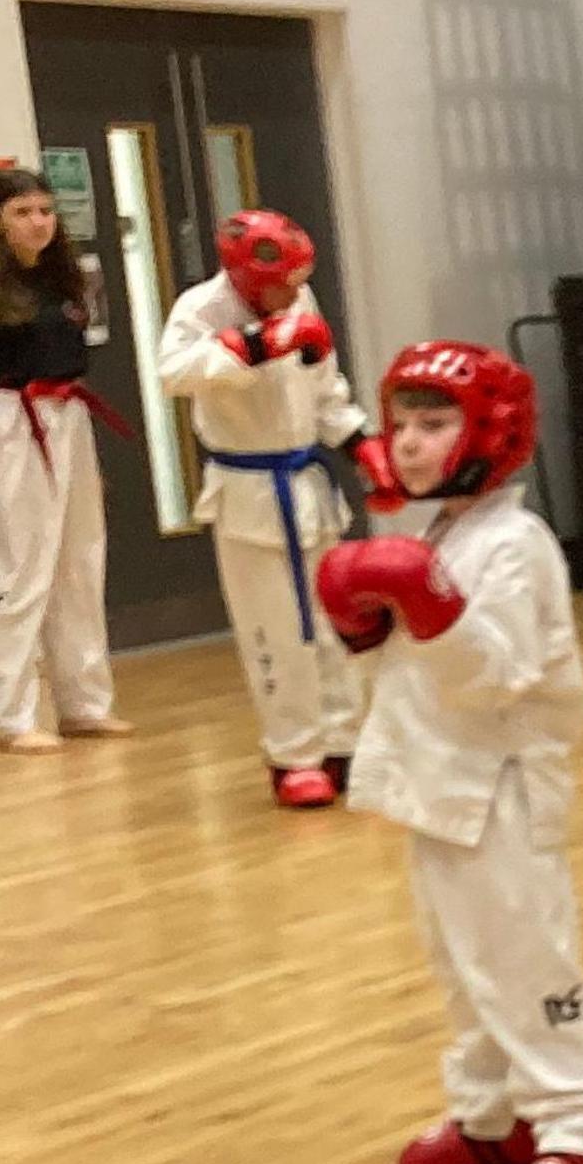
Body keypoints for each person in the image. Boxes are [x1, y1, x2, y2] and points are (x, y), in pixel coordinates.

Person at [317, 341, 583, 1164]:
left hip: (501, 781)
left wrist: (422, 600)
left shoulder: (516, 544)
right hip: (437, 779)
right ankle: (496, 1113)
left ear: (489, 430)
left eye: (435, 424)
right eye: (402, 426)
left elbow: (496, 675)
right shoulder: (438, 531)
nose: (410, 444)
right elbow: (403, 664)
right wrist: (359, 623)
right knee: (462, 965)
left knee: (526, 957)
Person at [157, 209, 369, 807]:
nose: (293, 293)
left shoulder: (303, 301)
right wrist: (252, 344)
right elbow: (173, 373)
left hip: (308, 483)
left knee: (332, 623)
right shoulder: (200, 308)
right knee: (273, 631)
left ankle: (344, 742)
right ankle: (294, 755)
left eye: (301, 280)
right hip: (247, 491)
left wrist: (362, 445)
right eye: (281, 283)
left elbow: (327, 392)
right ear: (245, 277)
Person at [0, 166, 126, 754]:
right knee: (21, 572)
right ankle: (12, 714)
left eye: (44, 210)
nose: (37, 222)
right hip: (11, 420)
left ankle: (85, 704)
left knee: (80, 560)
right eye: (22, 212)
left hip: (68, 416)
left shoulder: (68, 279)